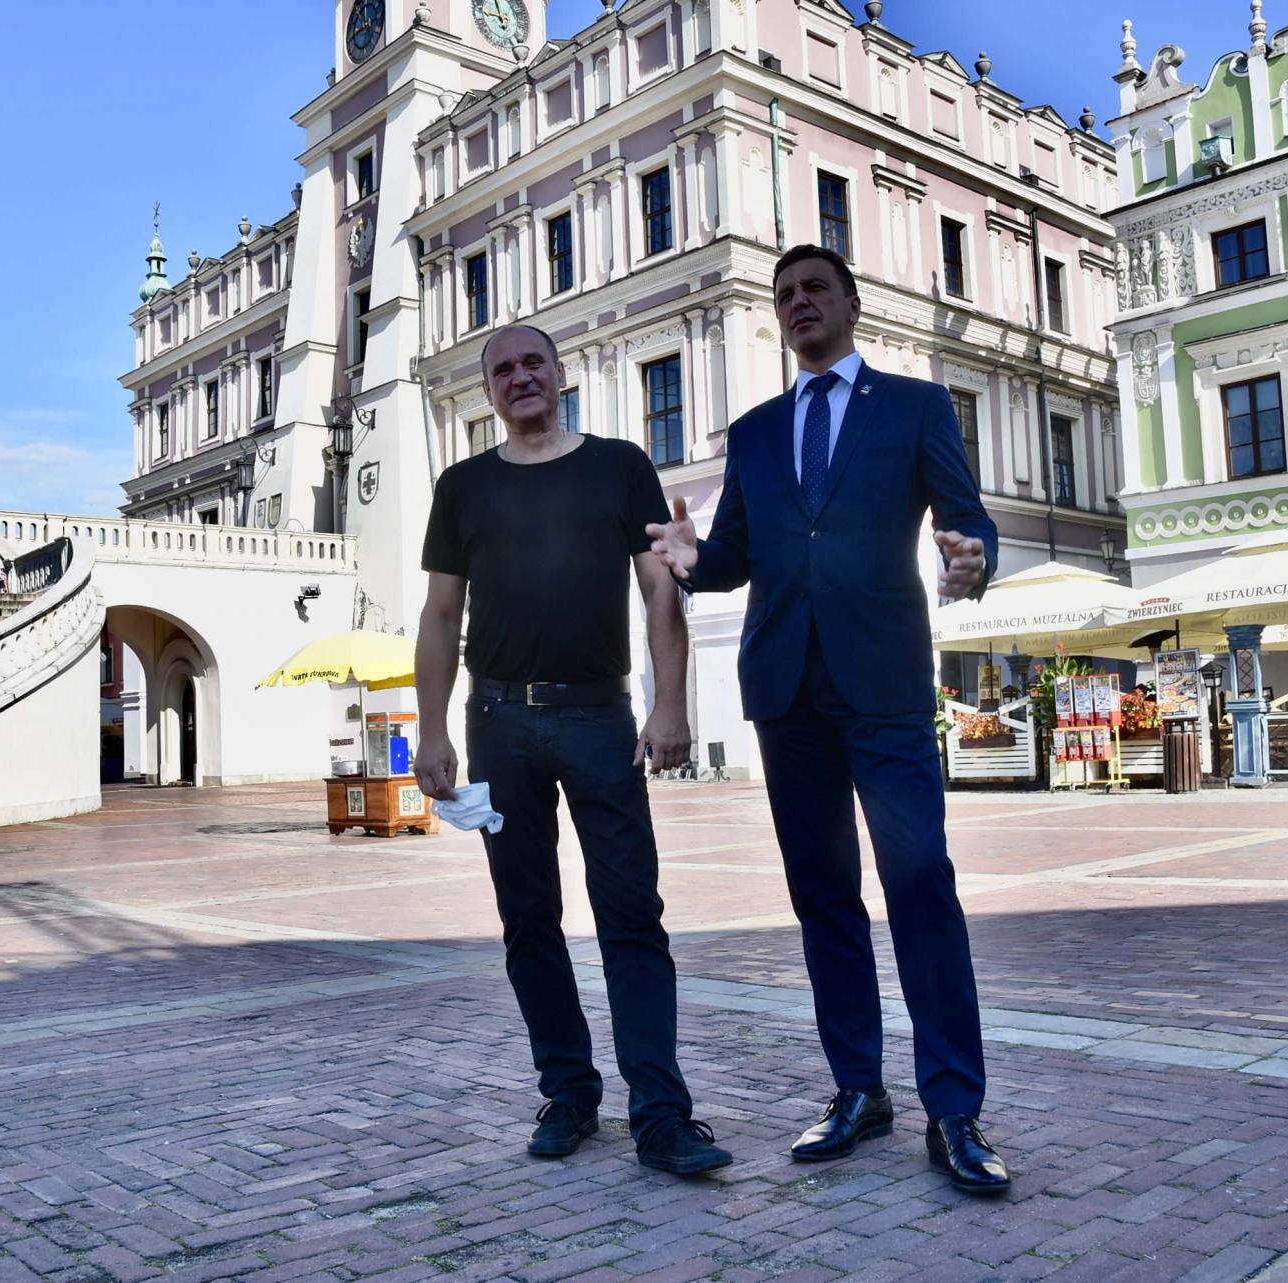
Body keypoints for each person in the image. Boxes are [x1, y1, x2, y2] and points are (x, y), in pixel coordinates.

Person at [646, 245, 1010, 1194]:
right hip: (788, 692)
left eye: (814, 288)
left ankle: (955, 1108)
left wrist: (974, 559)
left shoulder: (916, 407)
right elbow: (736, 555)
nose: (799, 303)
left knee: (921, 880)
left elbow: (969, 519)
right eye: (784, 296)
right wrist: (691, 554)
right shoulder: (757, 432)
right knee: (824, 898)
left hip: (884, 686)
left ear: (852, 302)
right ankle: (859, 1089)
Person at [413, 322, 733, 1177]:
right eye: (503, 370)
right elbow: (442, 616)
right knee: (528, 920)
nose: (520, 378)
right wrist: (433, 728)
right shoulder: (462, 486)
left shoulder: (620, 464)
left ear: (561, 376)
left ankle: (661, 1114)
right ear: (488, 392)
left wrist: (671, 704)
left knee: (632, 914)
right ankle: (570, 1091)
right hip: (499, 723)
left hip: (601, 720)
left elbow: (658, 588)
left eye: (533, 364)